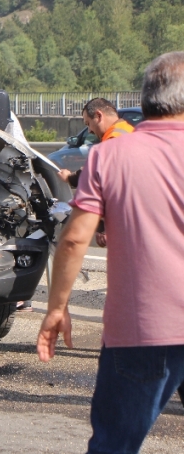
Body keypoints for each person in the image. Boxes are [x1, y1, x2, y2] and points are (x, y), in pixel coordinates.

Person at [37, 52, 184, 453]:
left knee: (114, 445)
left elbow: (72, 240)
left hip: (142, 330)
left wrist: (56, 309)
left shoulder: (111, 155)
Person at [58, 97, 134, 248]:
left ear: (99, 116)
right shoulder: (127, 130)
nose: (90, 130)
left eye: (88, 124)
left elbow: (94, 176)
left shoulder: (114, 139)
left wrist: (70, 178)